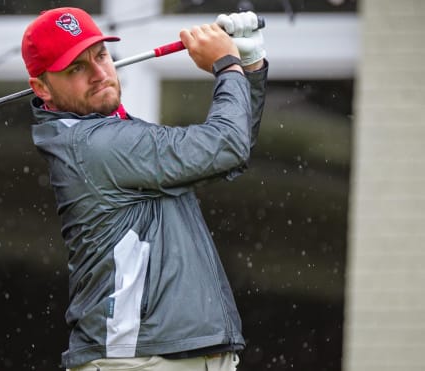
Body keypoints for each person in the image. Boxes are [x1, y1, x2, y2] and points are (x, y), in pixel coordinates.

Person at [21, 7, 267, 371]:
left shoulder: (108, 134)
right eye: (76, 68)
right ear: (42, 88)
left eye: (101, 55)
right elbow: (225, 146)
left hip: (167, 356)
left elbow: (228, 153)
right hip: (140, 360)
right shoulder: (92, 145)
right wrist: (227, 66)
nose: (99, 73)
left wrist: (250, 70)